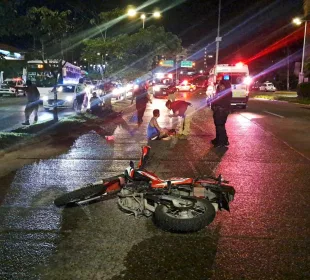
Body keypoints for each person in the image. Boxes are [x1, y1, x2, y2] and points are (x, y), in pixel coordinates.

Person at [210, 78, 232, 147]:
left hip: (220, 110)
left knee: (220, 126)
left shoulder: (223, 91)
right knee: (220, 125)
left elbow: (218, 100)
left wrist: (214, 104)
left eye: (220, 84)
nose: (219, 86)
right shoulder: (227, 90)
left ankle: (221, 142)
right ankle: (221, 140)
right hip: (222, 110)